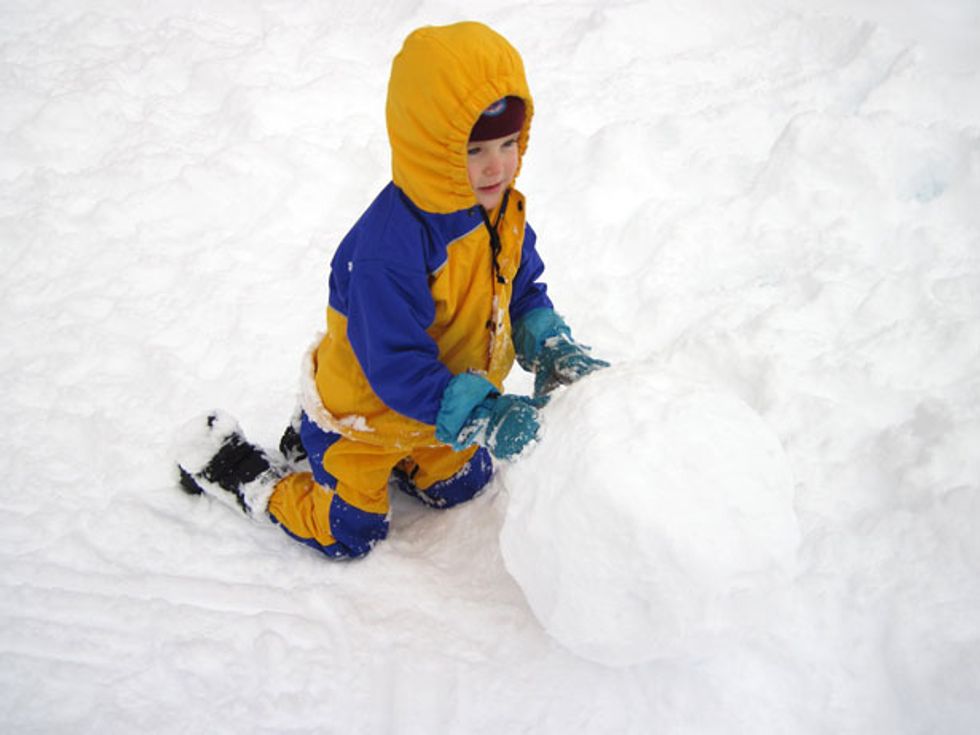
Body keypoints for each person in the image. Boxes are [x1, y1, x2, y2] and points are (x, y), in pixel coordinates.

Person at [177, 21, 608, 559]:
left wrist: (546, 339)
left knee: (464, 484)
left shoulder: (501, 212)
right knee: (350, 531)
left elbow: (520, 288)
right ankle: (248, 472)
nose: (497, 165)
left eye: (507, 143)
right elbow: (394, 365)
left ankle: (396, 455)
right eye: (476, 150)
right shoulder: (390, 249)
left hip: (436, 405)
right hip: (368, 414)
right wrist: (483, 414)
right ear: (433, 146)